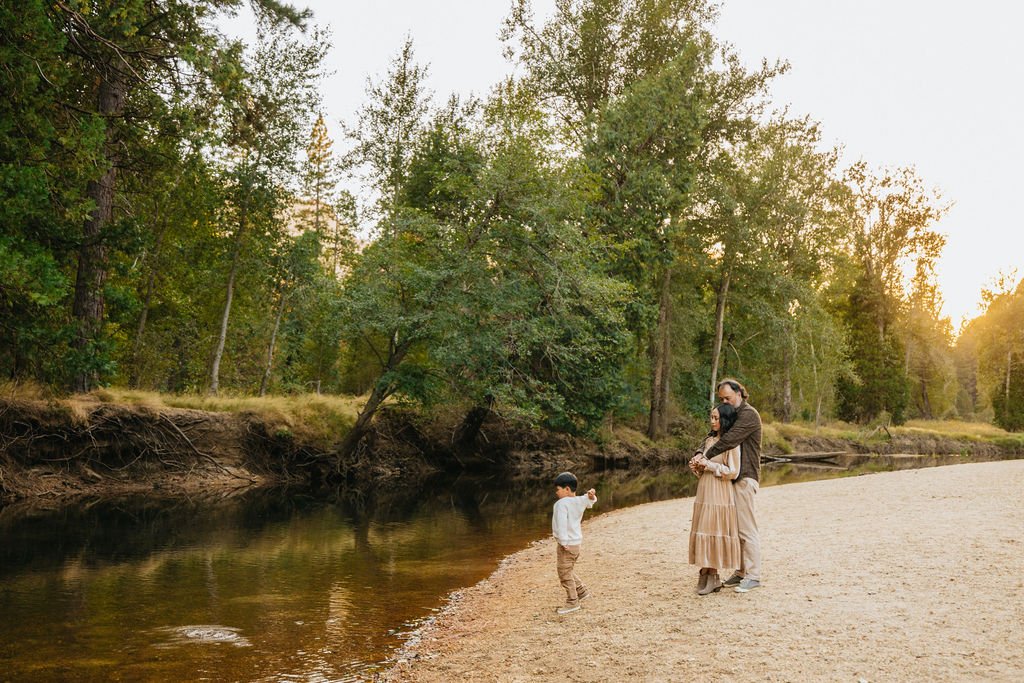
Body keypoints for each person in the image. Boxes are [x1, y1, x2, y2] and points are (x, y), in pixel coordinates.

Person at [691, 378, 763, 593]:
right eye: (721, 398)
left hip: (745, 477)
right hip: (732, 480)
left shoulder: (749, 415)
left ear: (740, 394)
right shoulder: (731, 414)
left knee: (746, 529)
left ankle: (753, 575)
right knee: (735, 528)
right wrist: (698, 453)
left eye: (728, 398)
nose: (725, 402)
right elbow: (714, 435)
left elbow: (729, 439)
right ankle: (741, 571)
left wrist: (704, 458)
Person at [688, 403, 742, 595]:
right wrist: (697, 466)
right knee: (703, 529)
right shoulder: (709, 441)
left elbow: (733, 472)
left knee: (713, 529)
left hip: (720, 492)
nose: (712, 421)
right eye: (711, 417)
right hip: (705, 490)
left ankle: (712, 575)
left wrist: (709, 465)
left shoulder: (731, 443)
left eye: (716, 418)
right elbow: (705, 468)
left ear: (725, 420)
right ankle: (706, 573)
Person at [551, 471, 597, 615]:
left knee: (564, 573)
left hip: (567, 544)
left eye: (558, 489)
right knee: (568, 569)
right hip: (576, 544)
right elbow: (590, 500)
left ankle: (572, 602)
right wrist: (592, 496)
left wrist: (563, 541)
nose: (556, 492)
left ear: (567, 489)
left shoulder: (561, 504)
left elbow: (562, 523)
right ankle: (581, 591)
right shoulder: (578, 501)